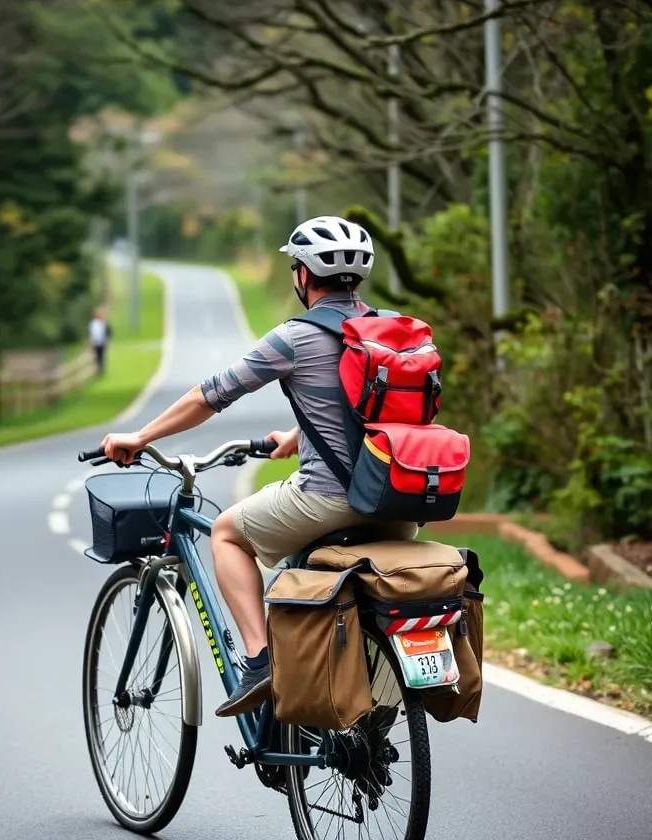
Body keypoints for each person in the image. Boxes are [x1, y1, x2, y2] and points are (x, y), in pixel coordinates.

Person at [99, 216, 417, 717]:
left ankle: (260, 659)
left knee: (226, 532)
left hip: (330, 499)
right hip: (400, 502)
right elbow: (376, 405)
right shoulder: (393, 329)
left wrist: (140, 437)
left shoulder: (295, 336)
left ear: (304, 276)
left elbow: (211, 396)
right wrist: (297, 435)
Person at [88, 308, 110, 375]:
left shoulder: (102, 323)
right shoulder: (92, 324)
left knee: (101, 357)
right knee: (96, 357)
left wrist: (106, 341)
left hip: (101, 342)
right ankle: (97, 370)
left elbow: (105, 332)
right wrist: (91, 342)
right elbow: (91, 334)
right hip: (95, 343)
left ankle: (101, 370)